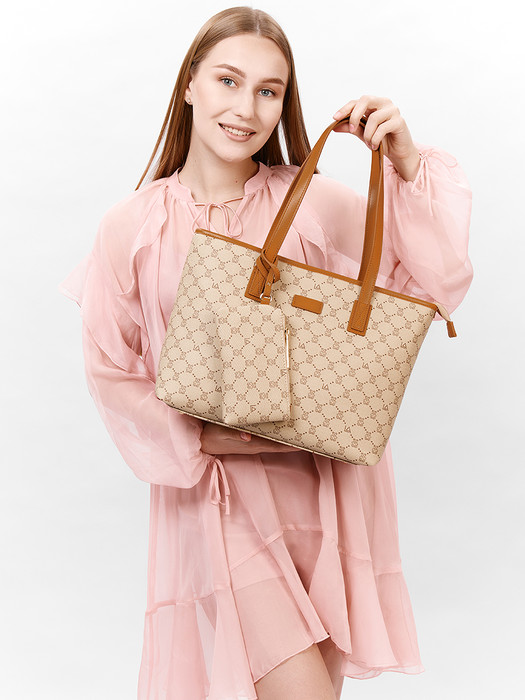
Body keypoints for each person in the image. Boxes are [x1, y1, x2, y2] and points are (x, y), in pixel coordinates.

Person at [59, 6, 473, 700]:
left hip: (322, 495)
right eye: (228, 80)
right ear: (189, 84)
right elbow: (111, 370)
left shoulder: (315, 203)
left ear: (283, 102)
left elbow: (430, 281)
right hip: (218, 501)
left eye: (268, 90)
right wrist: (198, 431)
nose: (246, 108)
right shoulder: (133, 225)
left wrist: (406, 163)